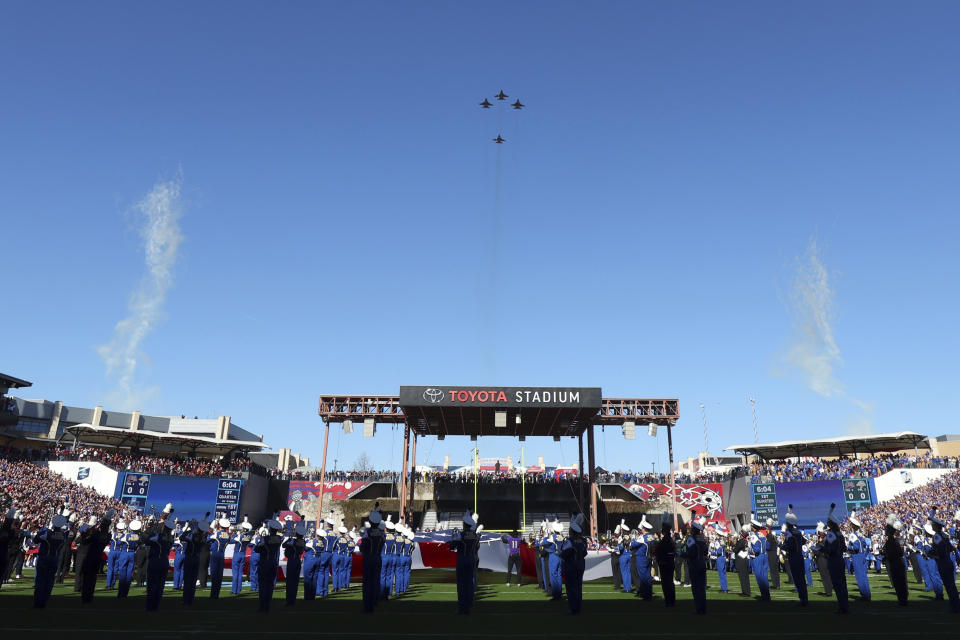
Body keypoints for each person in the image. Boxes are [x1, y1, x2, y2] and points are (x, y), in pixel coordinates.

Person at [33, 512, 68, 608]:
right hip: (54, 558)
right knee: (49, 581)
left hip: (44, 557)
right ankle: (44, 602)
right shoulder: (63, 535)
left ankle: (37, 602)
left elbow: (36, 540)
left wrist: (41, 531)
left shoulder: (47, 533)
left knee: (40, 581)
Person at [927, 510, 960, 613]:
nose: (932, 526)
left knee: (949, 585)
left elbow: (939, 549)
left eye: (933, 525)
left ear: (936, 526)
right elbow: (950, 548)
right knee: (951, 585)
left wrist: (932, 553)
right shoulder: (944, 535)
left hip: (943, 562)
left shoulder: (936, 536)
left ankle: (955, 606)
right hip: (948, 561)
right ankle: (955, 605)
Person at [144, 505, 175, 611]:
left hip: (155, 560)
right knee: (160, 585)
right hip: (164, 560)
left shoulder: (155, 533)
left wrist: (152, 527)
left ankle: (150, 606)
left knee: (152, 583)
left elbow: (146, 540)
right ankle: (156, 605)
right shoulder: (171, 537)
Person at [79, 510, 114, 604]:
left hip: (90, 557)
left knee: (86, 578)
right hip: (98, 558)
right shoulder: (108, 535)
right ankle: (90, 597)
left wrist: (83, 534)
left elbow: (85, 542)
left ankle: (85, 597)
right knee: (93, 578)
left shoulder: (96, 534)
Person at [449, 511, 480, 614]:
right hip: (471, 559)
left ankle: (463, 607)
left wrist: (453, 537)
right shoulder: (475, 535)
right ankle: (470, 603)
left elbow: (452, 547)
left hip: (462, 559)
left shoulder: (461, 535)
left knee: (461, 584)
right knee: (469, 583)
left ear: (465, 524)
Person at [823, 504, 849, 614]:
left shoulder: (830, 534)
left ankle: (841, 607)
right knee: (843, 583)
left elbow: (830, 548)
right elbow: (844, 548)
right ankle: (845, 605)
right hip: (840, 559)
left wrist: (823, 549)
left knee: (837, 584)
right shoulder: (840, 534)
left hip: (833, 560)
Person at [560, 513, 588, 614]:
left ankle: (573, 608)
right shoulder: (583, 541)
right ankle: (578, 607)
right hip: (580, 565)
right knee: (578, 587)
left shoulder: (569, 541)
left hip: (571, 566)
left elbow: (563, 555)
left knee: (571, 588)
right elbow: (585, 553)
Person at [782, 505, 808, 606]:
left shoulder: (790, 533)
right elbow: (804, 541)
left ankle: (803, 600)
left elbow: (790, 545)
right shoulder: (798, 532)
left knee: (798, 579)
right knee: (801, 578)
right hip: (799, 556)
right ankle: (804, 598)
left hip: (794, 557)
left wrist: (783, 546)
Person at [256, 518, 283, 612]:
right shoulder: (279, 538)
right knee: (270, 585)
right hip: (273, 562)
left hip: (265, 563)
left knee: (263, 584)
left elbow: (257, 549)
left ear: (270, 529)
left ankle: (262, 606)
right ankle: (267, 606)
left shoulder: (266, 538)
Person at [360, 511, 385, 613]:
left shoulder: (367, 533)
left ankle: (367, 606)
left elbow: (363, 547)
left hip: (369, 558)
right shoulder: (382, 533)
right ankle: (375, 601)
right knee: (376, 581)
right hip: (378, 558)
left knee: (367, 583)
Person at [683, 517, 709, 615]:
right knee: (701, 588)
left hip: (694, 564)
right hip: (702, 563)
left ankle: (698, 608)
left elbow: (690, 553)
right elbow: (706, 552)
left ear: (693, 530)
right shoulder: (702, 539)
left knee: (696, 587)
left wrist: (681, 554)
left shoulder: (691, 539)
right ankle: (703, 608)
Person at [882, 514, 909, 606]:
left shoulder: (897, 539)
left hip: (897, 561)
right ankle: (902, 599)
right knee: (899, 581)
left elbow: (900, 552)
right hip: (896, 561)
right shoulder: (893, 539)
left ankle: (903, 600)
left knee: (900, 581)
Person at [846, 512, 872, 601]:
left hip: (857, 556)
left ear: (852, 526)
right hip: (863, 555)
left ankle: (864, 595)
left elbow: (856, 547)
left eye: (850, 524)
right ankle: (867, 594)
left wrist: (848, 547)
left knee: (860, 576)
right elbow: (864, 544)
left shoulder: (853, 535)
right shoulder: (860, 534)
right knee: (864, 576)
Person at [180, 518, 204, 606]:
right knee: (193, 580)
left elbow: (181, 537)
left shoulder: (191, 537)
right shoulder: (202, 537)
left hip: (189, 558)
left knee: (187, 580)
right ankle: (191, 599)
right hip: (197, 558)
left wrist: (186, 529)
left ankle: (186, 599)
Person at [117, 518, 143, 598]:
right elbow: (139, 544)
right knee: (129, 573)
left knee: (122, 573)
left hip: (125, 553)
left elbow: (119, 542)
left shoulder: (126, 535)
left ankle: (120, 593)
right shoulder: (138, 537)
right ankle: (125, 593)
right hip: (132, 554)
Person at [748, 515, 771, 601]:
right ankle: (767, 595)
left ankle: (764, 595)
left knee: (759, 577)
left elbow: (756, 550)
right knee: (764, 576)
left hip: (758, 557)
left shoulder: (754, 536)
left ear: (754, 528)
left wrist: (749, 551)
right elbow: (768, 546)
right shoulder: (762, 535)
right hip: (765, 556)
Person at [283, 521, 306, 605]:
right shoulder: (303, 542)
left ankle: (289, 600)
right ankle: (293, 599)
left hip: (292, 561)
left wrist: (289, 539)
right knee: (295, 581)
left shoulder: (294, 541)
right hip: (298, 561)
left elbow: (284, 545)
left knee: (290, 581)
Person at [207, 517, 231, 598]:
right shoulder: (228, 535)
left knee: (214, 575)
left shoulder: (216, 534)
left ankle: (213, 595)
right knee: (219, 576)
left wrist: (212, 529)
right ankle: (217, 594)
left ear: (220, 525)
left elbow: (207, 539)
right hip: (222, 555)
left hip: (215, 555)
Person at [654, 521, 676, 607]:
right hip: (669, 563)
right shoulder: (669, 540)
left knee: (666, 583)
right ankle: (671, 601)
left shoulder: (665, 541)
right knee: (669, 583)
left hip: (665, 564)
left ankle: (668, 601)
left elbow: (661, 552)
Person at [633, 515, 654, 601]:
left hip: (641, 558)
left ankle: (645, 595)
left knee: (643, 577)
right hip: (649, 557)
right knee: (648, 577)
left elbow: (633, 545)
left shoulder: (642, 537)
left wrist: (634, 538)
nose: (641, 529)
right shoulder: (651, 537)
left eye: (642, 528)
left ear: (644, 529)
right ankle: (649, 594)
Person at [231, 518, 253, 594]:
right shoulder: (249, 537)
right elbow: (250, 544)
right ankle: (238, 589)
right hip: (243, 554)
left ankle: (234, 590)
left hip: (237, 554)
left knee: (235, 573)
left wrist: (237, 534)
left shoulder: (239, 536)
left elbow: (231, 541)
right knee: (240, 574)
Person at [733, 527, 751, 597]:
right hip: (745, 559)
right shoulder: (746, 541)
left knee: (742, 577)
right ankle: (747, 591)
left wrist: (734, 545)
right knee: (746, 577)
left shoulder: (741, 541)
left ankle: (745, 592)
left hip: (741, 560)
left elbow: (735, 550)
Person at [765, 518, 780, 590]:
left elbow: (768, 546)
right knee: (775, 570)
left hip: (771, 553)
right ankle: (777, 584)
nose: (766, 530)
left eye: (766, 528)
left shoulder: (769, 536)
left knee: (773, 570)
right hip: (774, 553)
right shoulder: (773, 535)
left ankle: (775, 585)